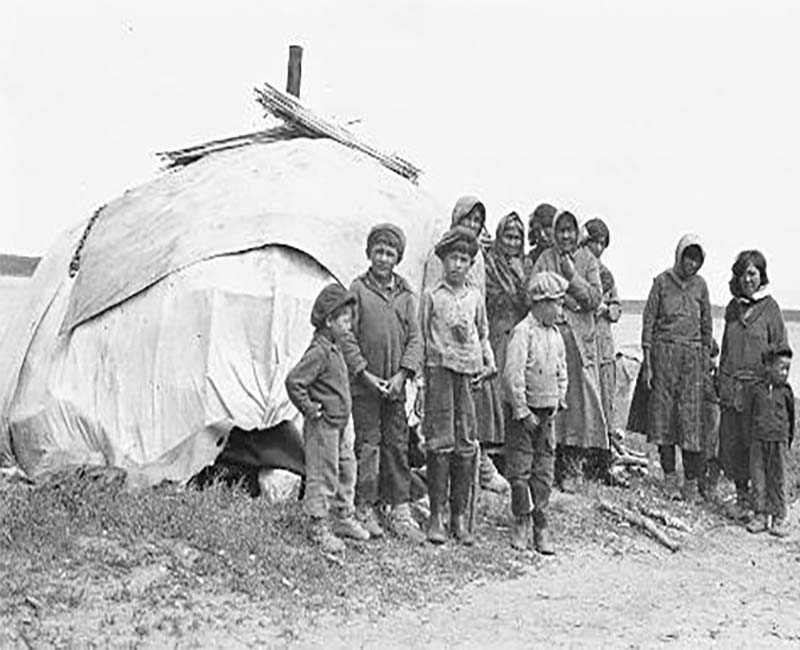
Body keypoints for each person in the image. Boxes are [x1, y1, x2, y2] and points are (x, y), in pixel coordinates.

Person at [338, 223, 425, 543]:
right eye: (378, 251)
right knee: (369, 446)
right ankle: (365, 507)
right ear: (369, 253)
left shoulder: (405, 294)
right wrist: (363, 373)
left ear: (398, 257)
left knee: (397, 446)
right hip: (366, 387)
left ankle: (400, 509)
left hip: (396, 387)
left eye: (390, 253)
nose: (384, 258)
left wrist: (404, 374)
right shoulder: (358, 289)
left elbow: (415, 338)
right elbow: (346, 336)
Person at [422, 195, 508, 494]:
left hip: (470, 349)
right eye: (467, 219)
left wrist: (485, 354)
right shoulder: (441, 256)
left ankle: (478, 469)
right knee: (443, 420)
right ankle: (442, 486)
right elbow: (433, 306)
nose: (472, 225)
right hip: (443, 352)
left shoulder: (478, 257)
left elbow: (479, 309)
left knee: (471, 418)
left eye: (477, 221)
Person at [420, 226, 496, 546]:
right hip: (439, 373)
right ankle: (436, 515)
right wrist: (422, 383)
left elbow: (483, 334)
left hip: (468, 375)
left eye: (464, 259)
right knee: (440, 441)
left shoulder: (475, 297)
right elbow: (423, 339)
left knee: (466, 442)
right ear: (443, 261)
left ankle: (458, 516)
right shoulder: (432, 297)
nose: (458, 265)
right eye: (453, 258)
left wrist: (489, 363)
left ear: (470, 263)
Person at [285, 283, 371, 554]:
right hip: (323, 425)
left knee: (347, 468)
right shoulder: (319, 351)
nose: (349, 324)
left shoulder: (335, 347)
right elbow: (294, 381)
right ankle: (318, 525)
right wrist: (310, 409)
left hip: (341, 424)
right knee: (324, 474)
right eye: (344, 319)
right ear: (328, 321)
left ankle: (343, 516)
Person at [532, 210, 607, 491]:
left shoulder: (587, 260)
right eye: (561, 230)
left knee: (577, 402)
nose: (565, 235)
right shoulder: (544, 258)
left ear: (577, 233)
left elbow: (594, 299)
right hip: (550, 339)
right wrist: (566, 298)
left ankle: (574, 466)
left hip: (578, 343)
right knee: (549, 398)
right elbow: (535, 290)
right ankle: (549, 464)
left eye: (570, 230)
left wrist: (572, 277)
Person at [641, 235, 712, 502]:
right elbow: (648, 323)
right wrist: (648, 364)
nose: (691, 263)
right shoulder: (661, 282)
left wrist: (705, 364)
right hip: (664, 356)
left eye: (696, 259)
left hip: (692, 360)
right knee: (665, 420)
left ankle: (691, 483)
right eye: (688, 257)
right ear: (679, 255)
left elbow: (706, 327)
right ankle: (670, 479)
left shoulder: (701, 286)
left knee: (692, 422)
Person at [718, 250, 787, 520]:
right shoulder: (733, 308)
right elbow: (726, 349)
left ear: (761, 276)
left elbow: (781, 350)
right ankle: (742, 498)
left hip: (759, 393)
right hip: (733, 390)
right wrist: (722, 381)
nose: (747, 279)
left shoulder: (771, 308)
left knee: (758, 450)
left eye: (752, 273)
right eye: (742, 273)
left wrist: (775, 390)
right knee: (734, 445)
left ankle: (767, 508)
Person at [503, 271, 568, 555]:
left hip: (547, 414)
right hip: (525, 415)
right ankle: (521, 520)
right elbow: (512, 375)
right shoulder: (523, 332)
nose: (560, 310)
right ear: (541, 302)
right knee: (520, 470)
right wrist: (522, 410)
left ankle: (541, 525)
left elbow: (562, 372)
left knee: (544, 470)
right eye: (557, 304)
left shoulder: (555, 335)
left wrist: (559, 400)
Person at [745, 345, 794, 537]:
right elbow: (749, 415)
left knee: (778, 478)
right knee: (758, 478)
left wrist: (787, 440)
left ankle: (779, 517)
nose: (784, 373)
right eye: (781, 368)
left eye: (788, 369)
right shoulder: (757, 390)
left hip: (778, 440)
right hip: (758, 440)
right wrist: (751, 437)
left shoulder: (786, 392)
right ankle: (760, 515)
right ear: (768, 367)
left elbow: (791, 416)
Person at [582, 218, 622, 436]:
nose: (597, 248)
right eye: (593, 242)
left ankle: (607, 447)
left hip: (604, 343)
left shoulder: (607, 275)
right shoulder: (577, 269)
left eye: (602, 243)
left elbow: (617, 308)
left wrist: (604, 308)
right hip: (584, 341)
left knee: (606, 398)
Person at [700, 339, 723, 502]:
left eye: (715, 356)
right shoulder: (699, 376)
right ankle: (702, 486)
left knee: (714, 454)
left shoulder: (716, 375)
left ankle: (712, 486)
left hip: (715, 419)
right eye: (710, 356)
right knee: (703, 453)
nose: (713, 361)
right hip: (705, 418)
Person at [527, 203, 558, 268]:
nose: (542, 235)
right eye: (537, 230)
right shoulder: (531, 259)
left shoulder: (570, 254)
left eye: (546, 227)